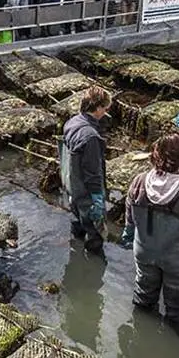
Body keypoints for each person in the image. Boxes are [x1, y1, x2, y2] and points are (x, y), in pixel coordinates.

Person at [119, 133, 179, 327]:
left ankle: (140, 336)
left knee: (143, 297)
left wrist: (128, 233)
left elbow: (129, 217)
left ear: (154, 157)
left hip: (145, 251)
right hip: (178, 261)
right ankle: (173, 346)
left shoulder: (139, 182)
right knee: (177, 308)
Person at [60, 86, 112, 255]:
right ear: (97, 108)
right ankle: (94, 268)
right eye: (105, 108)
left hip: (71, 186)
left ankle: (75, 252)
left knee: (76, 221)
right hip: (86, 192)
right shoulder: (91, 137)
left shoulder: (72, 122)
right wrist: (97, 198)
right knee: (95, 232)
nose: (105, 112)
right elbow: (93, 172)